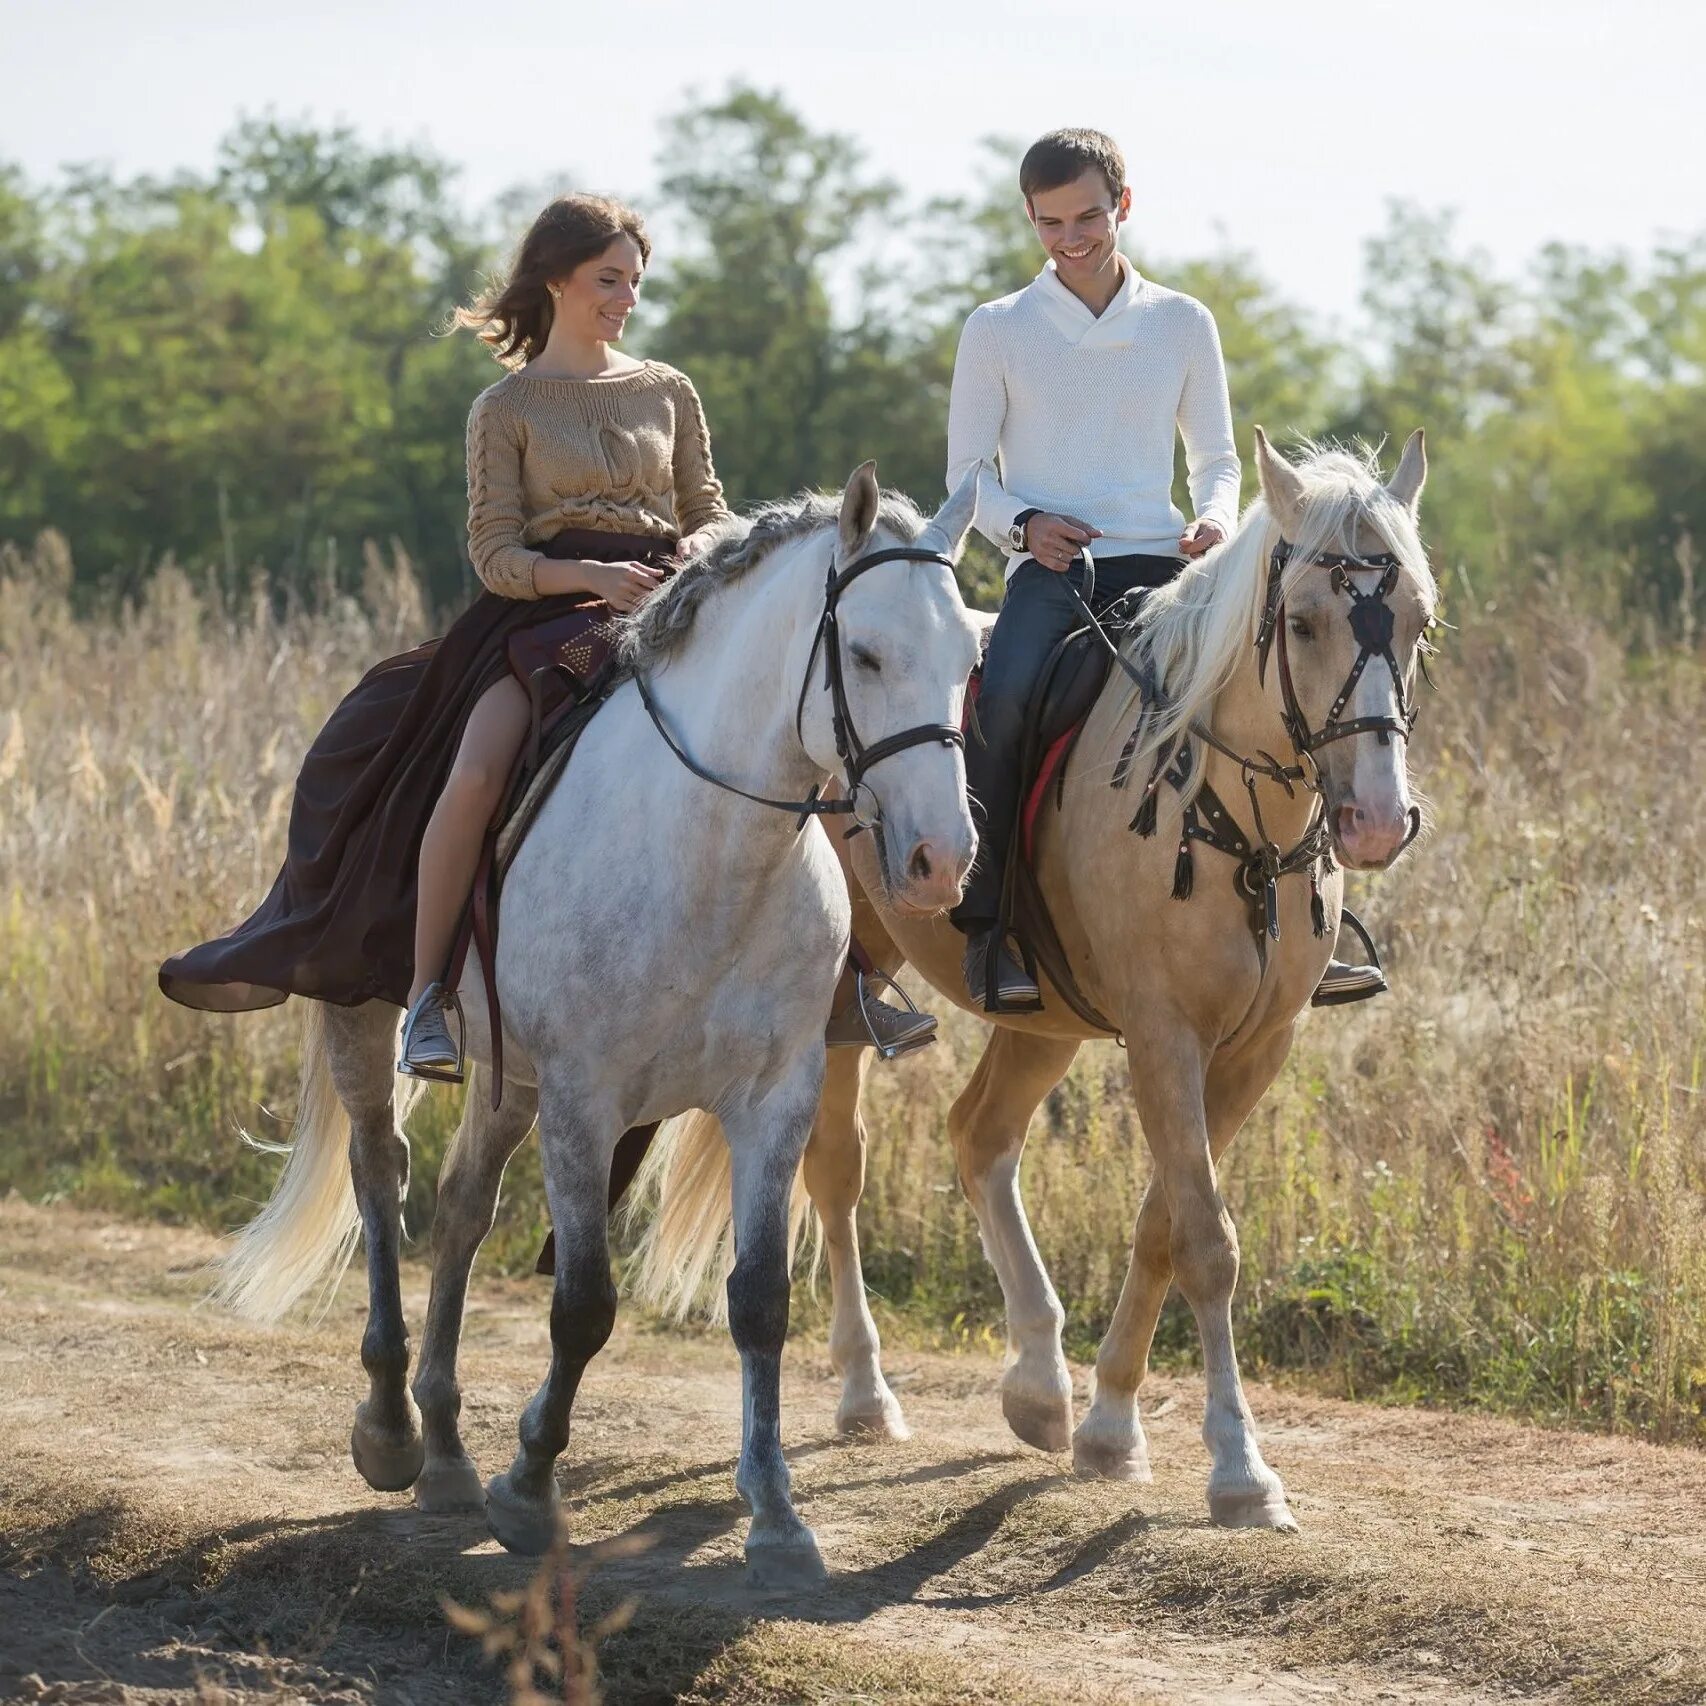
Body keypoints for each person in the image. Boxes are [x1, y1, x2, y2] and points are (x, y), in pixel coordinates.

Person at [160, 193, 932, 1075]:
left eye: (635, 281)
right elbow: (494, 553)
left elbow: (712, 512)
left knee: (807, 749)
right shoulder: (506, 406)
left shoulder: (668, 388)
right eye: (609, 279)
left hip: (673, 603)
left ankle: (850, 982)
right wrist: (592, 577)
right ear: (556, 279)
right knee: (479, 769)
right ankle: (427, 1001)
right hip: (545, 620)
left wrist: (698, 551)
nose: (626, 298)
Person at [945, 128, 1385, 1011]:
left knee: (1271, 690)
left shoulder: (1182, 322)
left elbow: (1217, 458)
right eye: (1051, 223)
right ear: (1030, 220)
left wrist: (1219, 518)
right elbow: (967, 480)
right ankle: (990, 929)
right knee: (1007, 697)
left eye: (1089, 217)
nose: (1073, 239)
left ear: (1123, 205)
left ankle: (1314, 917)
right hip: (1052, 574)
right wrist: (1026, 525)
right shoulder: (997, 330)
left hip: (1164, 567)